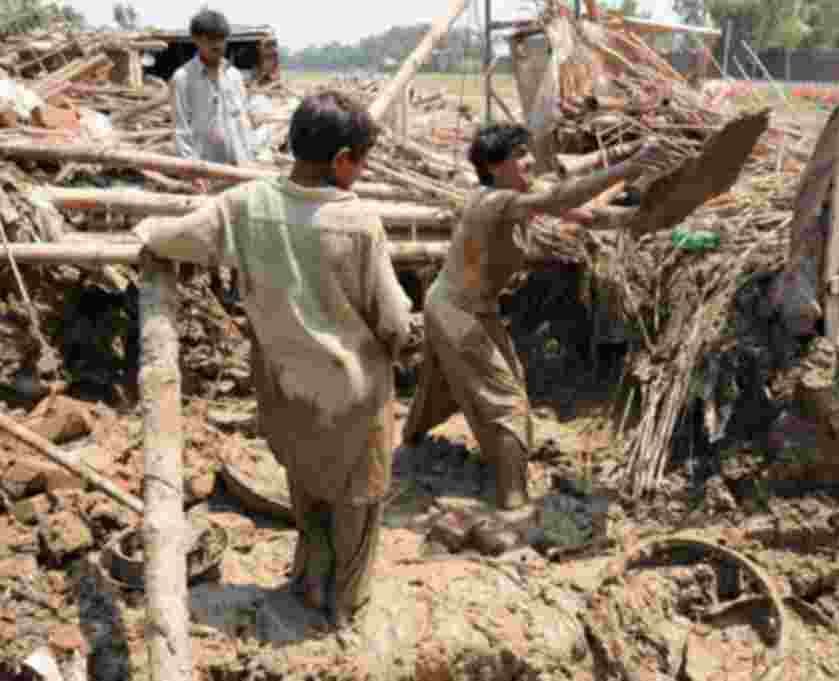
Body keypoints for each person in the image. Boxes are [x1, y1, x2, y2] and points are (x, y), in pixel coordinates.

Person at [132, 91, 413, 626]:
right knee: (359, 499)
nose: (364, 171)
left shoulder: (247, 204)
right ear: (341, 160)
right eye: (363, 160)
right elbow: (394, 319)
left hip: (286, 387)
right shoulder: (358, 223)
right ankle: (346, 605)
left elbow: (179, 237)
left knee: (307, 486)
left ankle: (309, 583)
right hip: (352, 391)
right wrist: (394, 350)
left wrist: (145, 234)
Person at [401, 123, 661, 519]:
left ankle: (412, 443)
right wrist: (627, 168)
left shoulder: (520, 196)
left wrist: (643, 216)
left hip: (472, 308)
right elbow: (563, 195)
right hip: (456, 309)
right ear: (493, 165)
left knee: (451, 380)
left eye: (528, 152)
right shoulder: (491, 201)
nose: (528, 161)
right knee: (506, 400)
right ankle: (513, 503)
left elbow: (586, 214)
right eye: (518, 155)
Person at [171, 8, 252, 304]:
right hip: (206, 166)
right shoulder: (183, 79)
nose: (219, 47)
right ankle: (217, 285)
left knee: (243, 226)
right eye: (212, 41)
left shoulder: (234, 75)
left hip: (238, 162)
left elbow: (243, 119)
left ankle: (240, 287)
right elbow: (181, 128)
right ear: (197, 40)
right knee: (214, 227)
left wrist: (251, 157)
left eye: (223, 41)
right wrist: (192, 171)